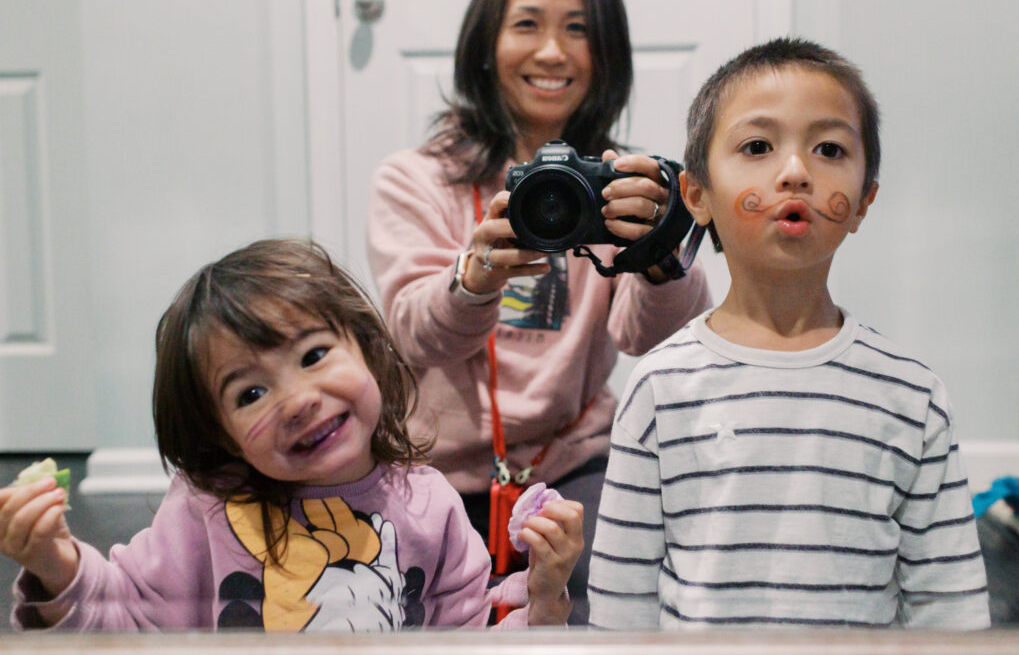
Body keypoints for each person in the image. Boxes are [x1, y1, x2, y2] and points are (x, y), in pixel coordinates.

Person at [587, 37, 991, 629]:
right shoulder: (660, 388)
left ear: (862, 202)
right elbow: (622, 606)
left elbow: (950, 609)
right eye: (758, 146)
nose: (796, 171)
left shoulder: (913, 399)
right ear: (696, 195)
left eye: (829, 148)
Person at [367, 0, 713, 624]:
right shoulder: (416, 177)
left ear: (606, 52)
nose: (553, 52)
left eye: (578, 29)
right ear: (486, 44)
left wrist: (661, 246)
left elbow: (651, 338)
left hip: (573, 456)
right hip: (437, 465)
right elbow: (414, 333)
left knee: (619, 603)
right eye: (527, 24)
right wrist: (477, 273)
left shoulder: (619, 181)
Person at [0, 238, 583, 632]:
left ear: (367, 347)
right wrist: (54, 561)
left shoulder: (430, 506)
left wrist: (546, 594)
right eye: (250, 393)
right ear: (222, 435)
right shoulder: (206, 508)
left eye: (313, 354)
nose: (298, 400)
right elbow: (124, 621)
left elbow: (469, 637)